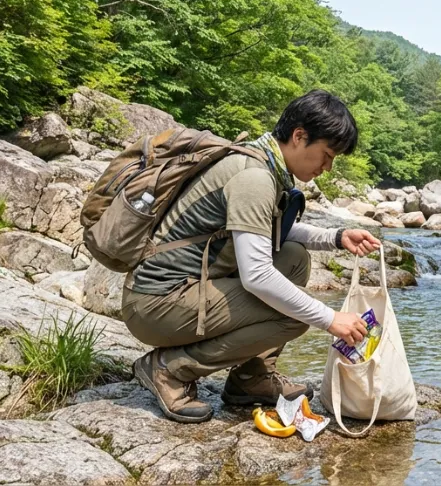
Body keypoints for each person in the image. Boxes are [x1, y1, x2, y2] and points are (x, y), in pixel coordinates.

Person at [122, 90, 380, 423]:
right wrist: (330, 319)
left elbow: (266, 233)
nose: (327, 168)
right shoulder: (254, 177)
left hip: (182, 290)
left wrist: (337, 237)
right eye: (326, 155)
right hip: (155, 303)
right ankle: (168, 370)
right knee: (297, 314)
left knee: (293, 258)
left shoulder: (263, 164)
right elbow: (257, 276)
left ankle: (250, 377)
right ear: (299, 136)